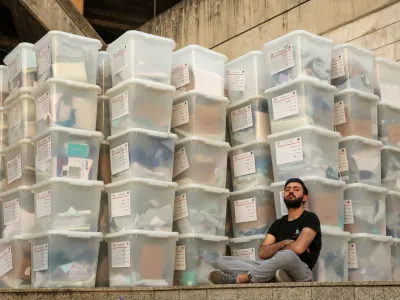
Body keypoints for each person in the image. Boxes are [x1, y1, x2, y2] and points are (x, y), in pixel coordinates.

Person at [208, 178, 322, 284]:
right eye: (287, 189)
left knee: (287, 255)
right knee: (222, 261)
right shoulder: (278, 223)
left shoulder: (310, 218)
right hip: (274, 266)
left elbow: (298, 248)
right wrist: (283, 243)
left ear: (304, 197)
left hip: (301, 271)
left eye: (296, 189)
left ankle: (240, 278)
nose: (291, 191)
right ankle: (274, 277)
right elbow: (262, 253)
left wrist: (276, 250)